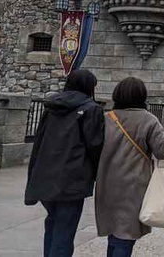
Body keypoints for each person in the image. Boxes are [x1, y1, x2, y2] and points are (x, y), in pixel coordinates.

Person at [95, 76, 164, 257]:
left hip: (107, 181)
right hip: (134, 184)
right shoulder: (149, 120)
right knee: (125, 234)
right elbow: (163, 152)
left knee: (113, 230)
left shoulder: (106, 118)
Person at [25, 69, 104, 257]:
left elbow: (39, 141)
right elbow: (95, 145)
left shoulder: (51, 107)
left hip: (45, 175)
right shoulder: (92, 109)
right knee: (64, 230)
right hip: (72, 177)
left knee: (52, 223)